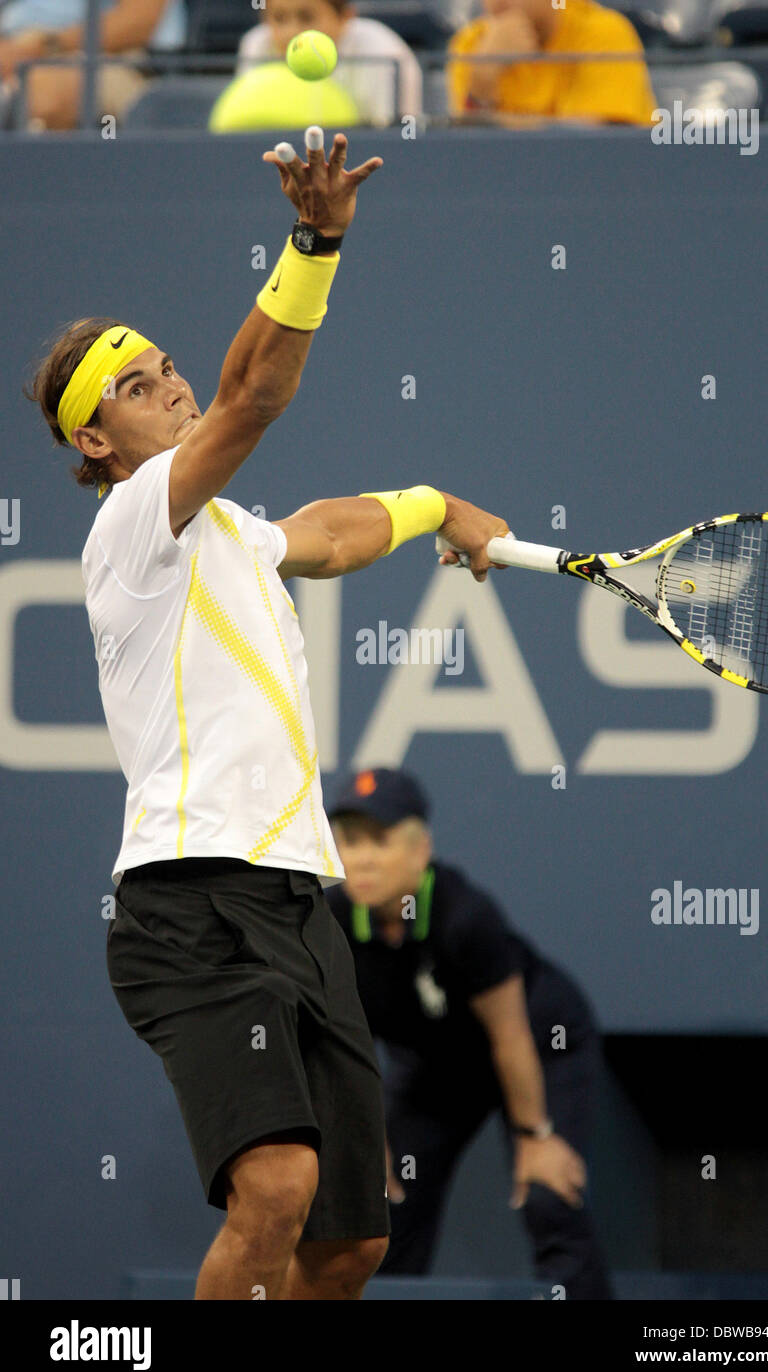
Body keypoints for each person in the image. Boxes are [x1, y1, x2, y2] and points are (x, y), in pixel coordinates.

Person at [24, 126, 514, 1300]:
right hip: (188, 907)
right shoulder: (137, 519)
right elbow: (253, 393)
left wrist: (433, 504)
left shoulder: (233, 534)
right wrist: (315, 241)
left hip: (300, 908)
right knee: (277, 1191)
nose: (174, 387)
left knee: (349, 1242)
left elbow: (328, 534)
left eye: (165, 367)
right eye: (136, 391)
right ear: (98, 442)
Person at [325, 767, 614, 1298]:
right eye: (349, 841)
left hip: (538, 1045)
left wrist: (535, 1137)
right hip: (435, 1070)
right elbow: (346, 1045)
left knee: (550, 1194)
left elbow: (510, 1036)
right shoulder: (333, 923)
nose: (361, 858)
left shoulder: (465, 917)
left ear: (420, 849)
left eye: (380, 841)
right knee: (380, 1197)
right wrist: (367, 1135)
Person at [446, 0, 657, 128]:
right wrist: (482, 79)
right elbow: (471, 161)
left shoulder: (605, 33)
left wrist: (500, 124)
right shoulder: (473, 45)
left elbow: (592, 149)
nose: (497, 2)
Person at [0, 0, 185, 132]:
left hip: (116, 58)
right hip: (15, 48)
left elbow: (136, 23)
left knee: (41, 92)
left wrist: (44, 46)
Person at [236, 0, 423, 128]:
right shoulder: (255, 44)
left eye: (307, 17)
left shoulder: (382, 50)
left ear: (345, 17)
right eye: (279, 18)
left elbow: (390, 136)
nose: (291, 33)